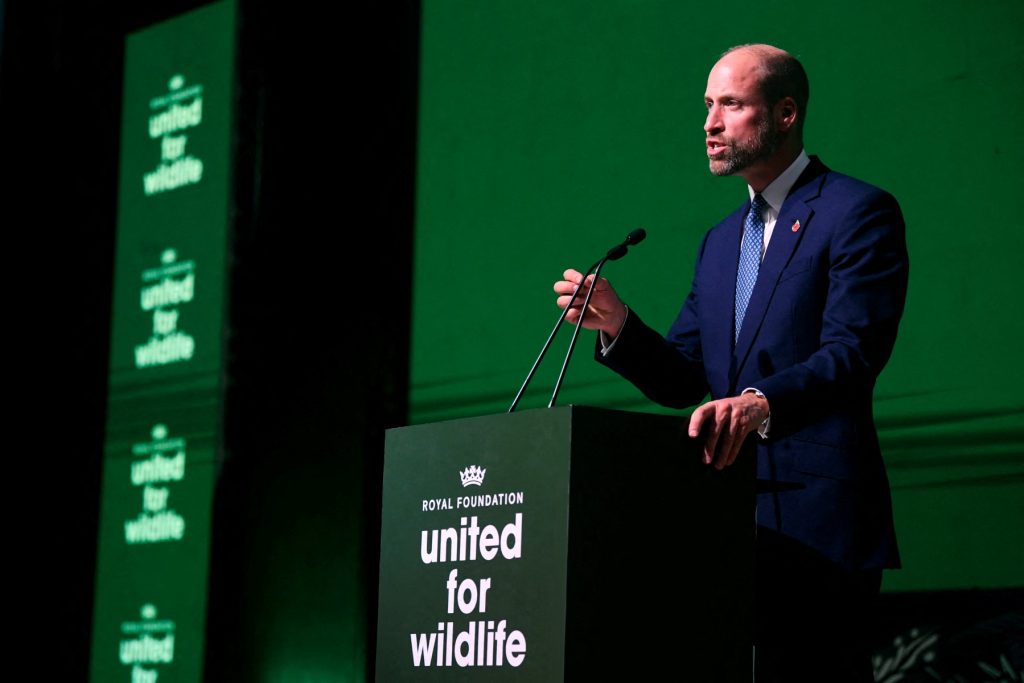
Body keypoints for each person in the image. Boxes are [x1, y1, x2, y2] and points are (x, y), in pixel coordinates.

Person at [554, 44, 908, 682]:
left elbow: (854, 352)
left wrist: (760, 404)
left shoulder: (856, 212)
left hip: (818, 525)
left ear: (786, 113)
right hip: (720, 525)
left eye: (732, 105)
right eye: (708, 106)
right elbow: (690, 377)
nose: (710, 123)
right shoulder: (721, 243)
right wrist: (619, 325)